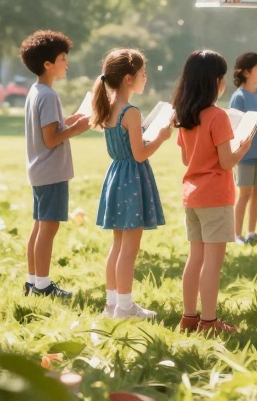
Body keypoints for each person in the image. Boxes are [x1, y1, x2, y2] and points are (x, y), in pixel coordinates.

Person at [173, 50, 257, 335]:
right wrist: (243, 148)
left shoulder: (185, 115)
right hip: (216, 197)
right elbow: (226, 161)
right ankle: (209, 322)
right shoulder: (217, 116)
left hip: (192, 196)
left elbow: (187, 159)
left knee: (195, 258)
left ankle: (189, 318)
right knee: (212, 262)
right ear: (214, 81)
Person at [92, 48, 171, 319]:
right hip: (132, 181)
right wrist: (161, 138)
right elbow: (140, 154)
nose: (145, 78)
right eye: (142, 73)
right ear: (129, 78)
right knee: (130, 248)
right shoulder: (131, 112)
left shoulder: (108, 108)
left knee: (117, 245)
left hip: (116, 177)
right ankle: (125, 307)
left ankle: (112, 304)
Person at [19, 30, 90, 299]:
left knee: (39, 226)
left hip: (40, 171)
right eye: (62, 58)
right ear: (47, 64)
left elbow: (49, 128)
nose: (66, 63)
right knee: (48, 228)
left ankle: (32, 281)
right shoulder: (48, 95)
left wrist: (71, 120)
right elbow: (51, 139)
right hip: (51, 172)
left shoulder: (37, 91)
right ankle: (43, 286)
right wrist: (77, 129)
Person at [230, 52, 257, 245]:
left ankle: (251, 233)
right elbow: (236, 125)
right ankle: (236, 234)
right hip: (244, 154)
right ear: (246, 72)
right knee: (245, 194)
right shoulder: (238, 97)